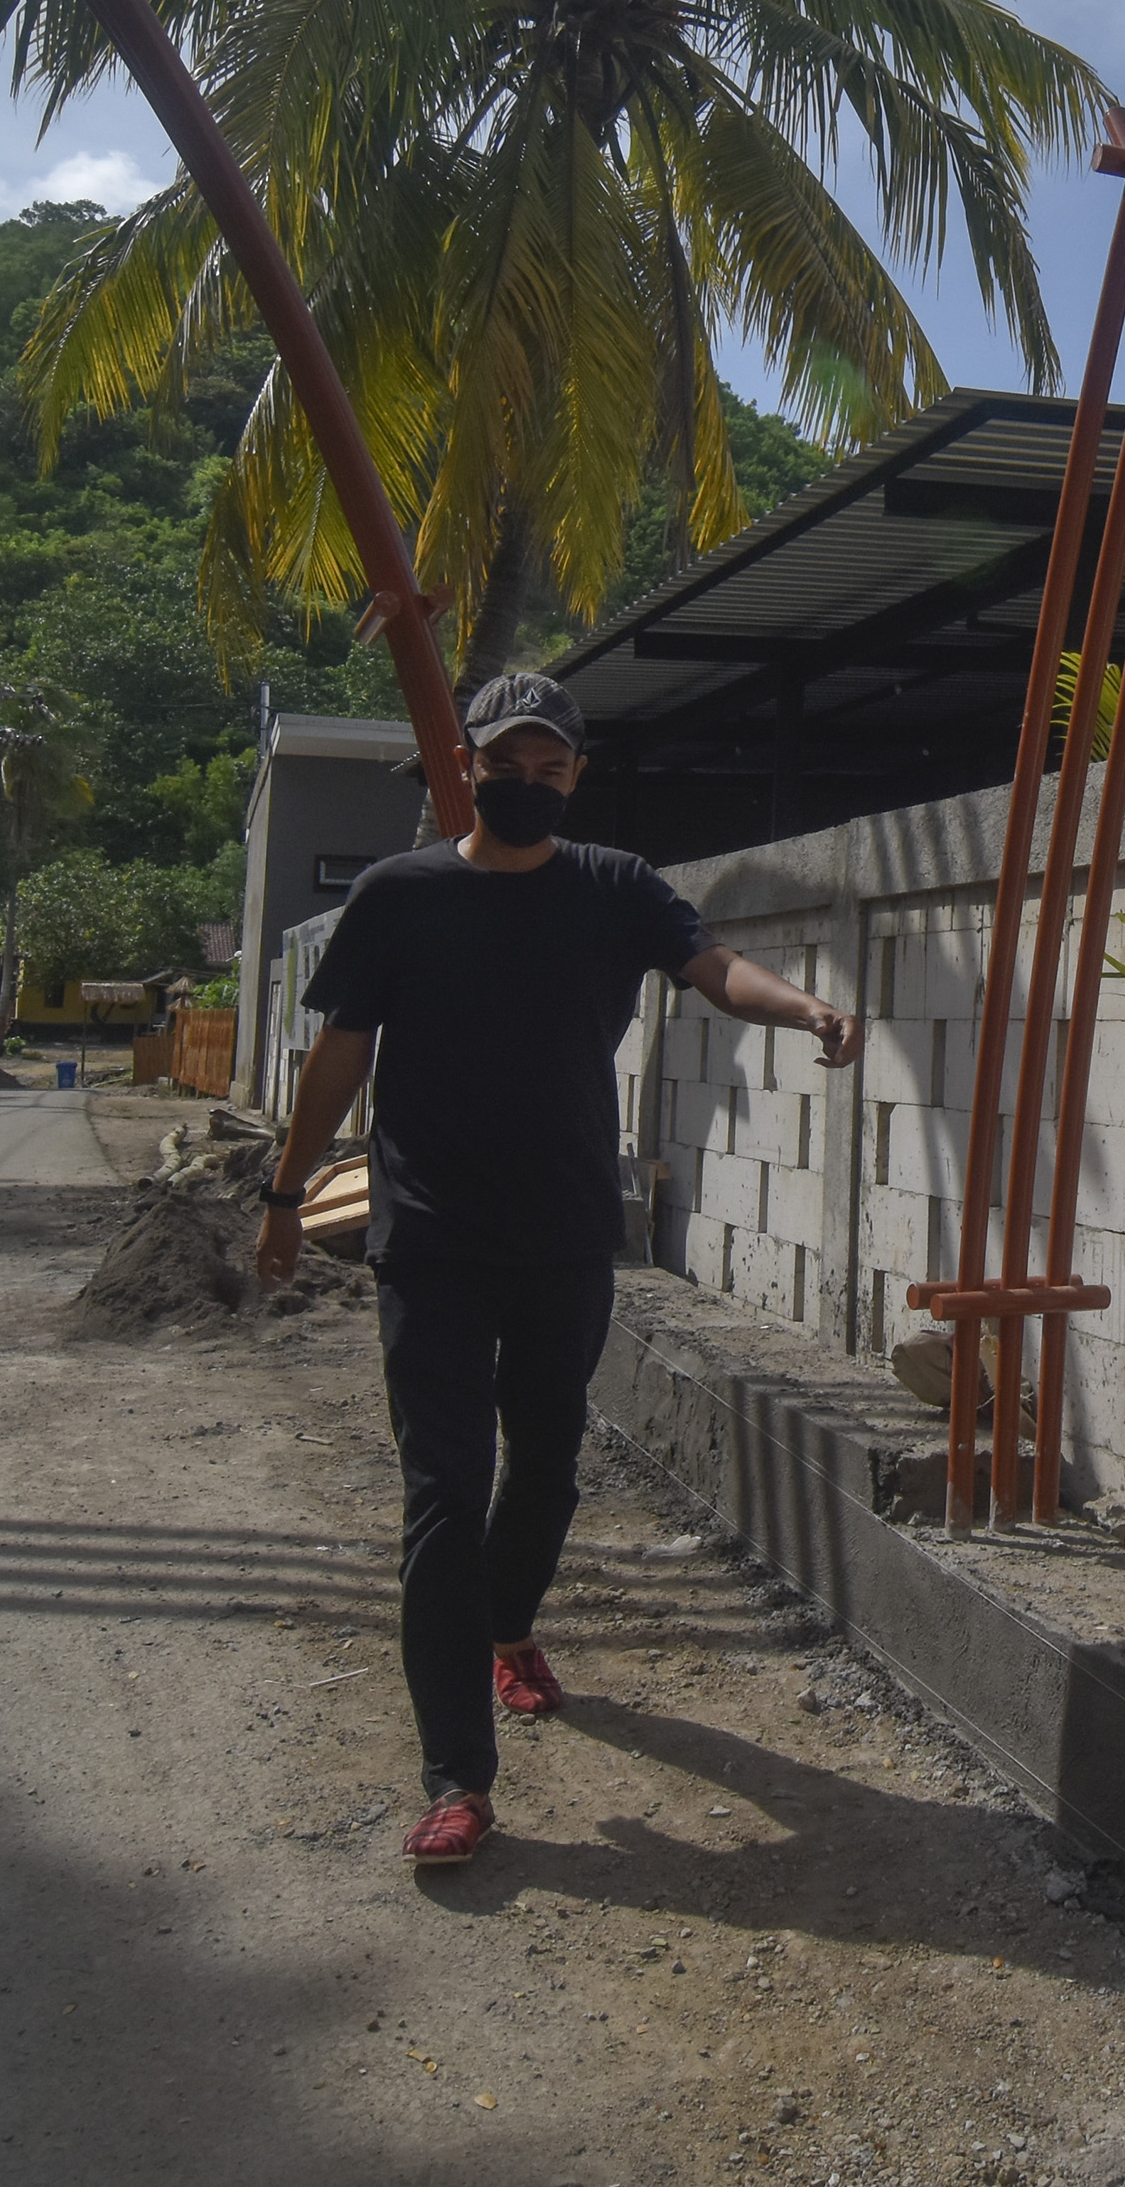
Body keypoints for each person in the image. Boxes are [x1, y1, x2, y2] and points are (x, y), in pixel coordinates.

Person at [249, 671, 862, 1868]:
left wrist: (803, 1010)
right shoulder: (398, 894)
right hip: (429, 1237)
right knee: (442, 1491)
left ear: (576, 775)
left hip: (567, 1233)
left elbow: (710, 965)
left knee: (544, 1465)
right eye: (505, 765)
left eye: (549, 768)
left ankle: (509, 1625)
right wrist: (283, 1200)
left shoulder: (613, 886)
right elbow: (339, 1058)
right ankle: (456, 1779)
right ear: (465, 767)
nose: (526, 784)